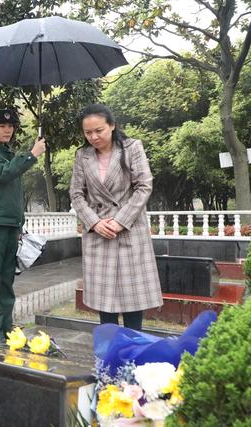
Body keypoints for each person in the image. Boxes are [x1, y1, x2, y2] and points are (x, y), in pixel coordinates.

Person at [69, 104, 162, 331]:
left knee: (133, 297)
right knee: (105, 299)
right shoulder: (83, 156)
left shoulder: (132, 148)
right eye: (88, 132)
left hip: (129, 229)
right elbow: (76, 194)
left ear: (111, 125)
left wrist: (120, 221)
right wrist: (94, 223)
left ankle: (132, 354)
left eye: (98, 130)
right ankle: (108, 354)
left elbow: (144, 186)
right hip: (98, 232)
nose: (93, 136)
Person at [0, 109, 46, 345]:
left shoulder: (9, 154)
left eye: (11, 126)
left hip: (10, 226)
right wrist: (31, 155)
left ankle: (6, 327)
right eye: (1, 126)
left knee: (7, 280)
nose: (7, 130)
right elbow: (2, 174)